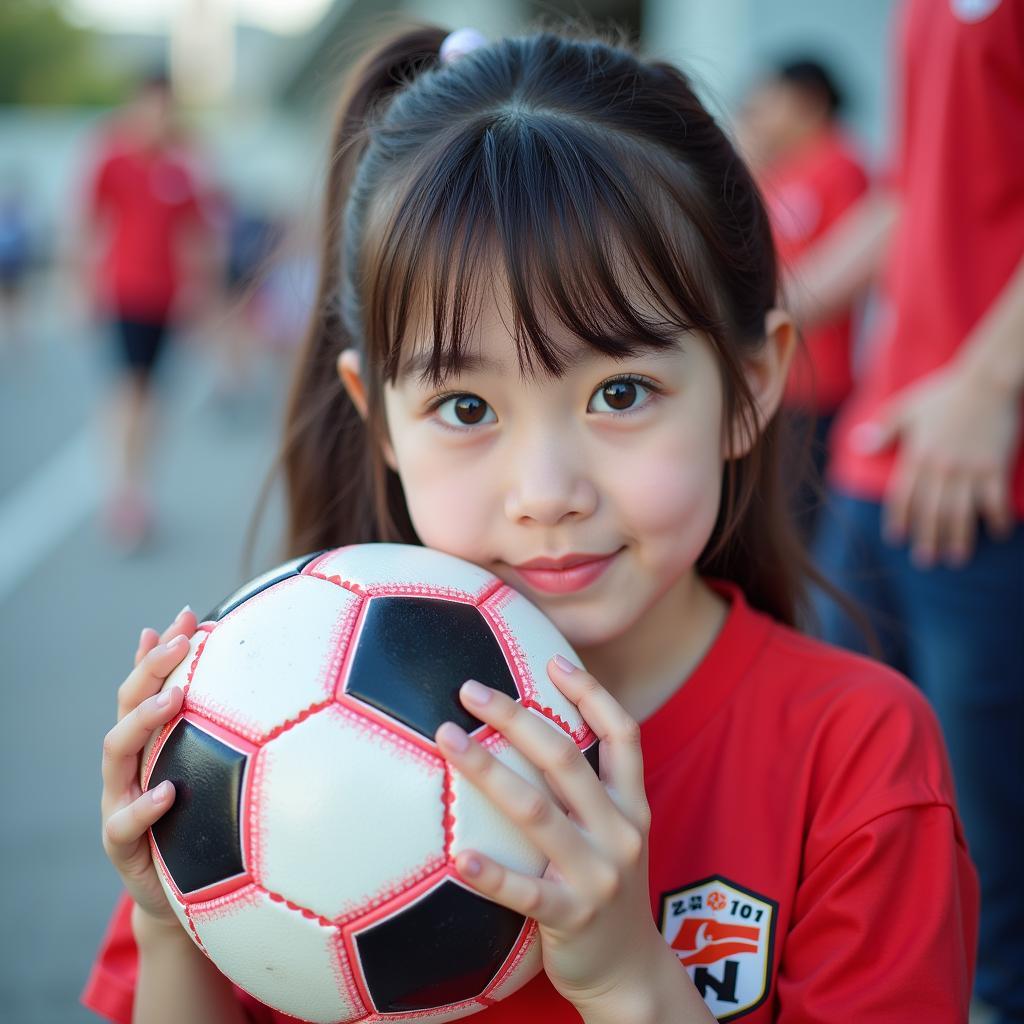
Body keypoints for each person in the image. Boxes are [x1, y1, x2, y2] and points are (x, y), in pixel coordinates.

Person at [84, 26, 979, 1024]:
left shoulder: (855, 756)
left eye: (622, 390)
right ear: (376, 414)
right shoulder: (254, 732)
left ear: (750, 383)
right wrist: (175, 925)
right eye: (466, 408)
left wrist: (624, 979)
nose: (546, 489)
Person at [785, 3, 1023, 1021]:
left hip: (976, 466)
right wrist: (757, 312)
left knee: (989, 858)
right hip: (880, 449)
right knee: (864, 809)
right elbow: (919, 189)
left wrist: (992, 381)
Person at [79, 71, 217, 549]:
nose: (158, 117)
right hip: (124, 292)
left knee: (154, 398)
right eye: (151, 106)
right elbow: (88, 222)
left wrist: (202, 293)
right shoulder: (113, 158)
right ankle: (122, 490)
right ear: (137, 105)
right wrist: (79, 285)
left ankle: (138, 488)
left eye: (166, 108)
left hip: (167, 299)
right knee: (128, 391)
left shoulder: (179, 169)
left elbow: (198, 234)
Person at [738, 59, 868, 538]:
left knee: (799, 523)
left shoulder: (843, 165)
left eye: (770, 100)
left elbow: (842, 276)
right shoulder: (783, 168)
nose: (758, 113)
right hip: (773, 375)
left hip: (817, 384)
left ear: (808, 102)